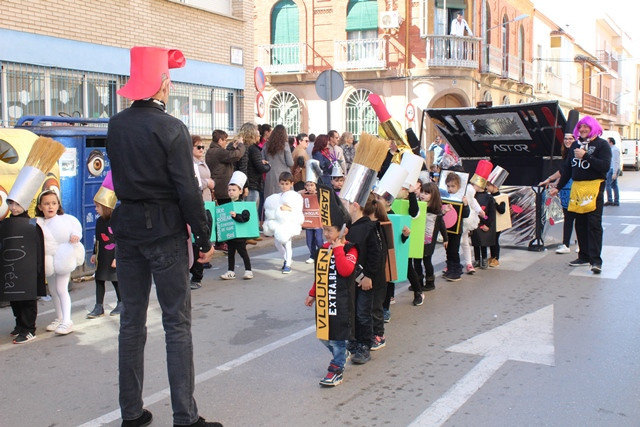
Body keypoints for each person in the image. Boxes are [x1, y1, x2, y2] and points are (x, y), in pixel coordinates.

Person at [106, 46, 219, 427]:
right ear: (164, 83)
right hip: (165, 232)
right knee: (176, 324)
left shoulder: (116, 124)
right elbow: (187, 189)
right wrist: (203, 235)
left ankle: (131, 413)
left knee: (131, 322)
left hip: (127, 229)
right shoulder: (172, 127)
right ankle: (185, 418)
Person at [304, 187, 357, 387]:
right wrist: (312, 294)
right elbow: (320, 274)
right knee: (324, 337)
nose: (326, 234)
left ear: (343, 231)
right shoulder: (323, 249)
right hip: (325, 301)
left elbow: (345, 271)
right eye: (324, 229)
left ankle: (336, 367)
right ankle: (342, 353)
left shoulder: (350, 249)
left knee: (336, 338)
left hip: (341, 302)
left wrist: (339, 250)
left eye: (330, 230)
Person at [549, 115, 611, 274]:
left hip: (594, 188)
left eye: (586, 127)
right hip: (577, 188)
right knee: (580, 224)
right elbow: (568, 169)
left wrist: (586, 156)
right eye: (581, 127)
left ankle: (596, 261)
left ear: (593, 128)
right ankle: (583, 256)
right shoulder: (576, 144)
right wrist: (558, 187)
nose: (583, 130)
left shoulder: (602, 145)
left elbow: (604, 167)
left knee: (594, 225)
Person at [36, 190, 84, 335]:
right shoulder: (38, 222)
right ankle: (60, 317)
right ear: (40, 206)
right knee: (53, 291)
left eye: (53, 203)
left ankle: (67, 320)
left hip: (64, 257)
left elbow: (76, 229)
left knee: (62, 289)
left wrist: (75, 236)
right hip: (48, 260)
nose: (50, 207)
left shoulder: (67, 219)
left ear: (58, 205)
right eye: (46, 204)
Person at [345, 193, 384, 364]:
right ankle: (353, 342)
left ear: (355, 205)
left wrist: (368, 276)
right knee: (352, 312)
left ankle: (365, 346)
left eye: (346, 202)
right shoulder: (347, 227)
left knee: (363, 313)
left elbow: (376, 255)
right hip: (350, 279)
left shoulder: (369, 227)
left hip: (365, 280)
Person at [88, 171, 122, 318]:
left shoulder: (116, 220)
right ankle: (99, 306)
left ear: (106, 207)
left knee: (115, 280)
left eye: (98, 207)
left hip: (113, 256)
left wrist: (117, 257)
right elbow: (98, 239)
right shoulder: (99, 221)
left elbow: (119, 240)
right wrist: (94, 253)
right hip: (102, 255)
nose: (96, 209)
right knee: (99, 279)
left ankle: (121, 302)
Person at [262, 171, 304, 274]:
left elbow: (297, 209)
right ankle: (286, 258)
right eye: (282, 184)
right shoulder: (277, 196)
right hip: (278, 223)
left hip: (288, 223)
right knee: (277, 242)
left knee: (287, 243)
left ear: (291, 184)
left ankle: (288, 263)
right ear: (279, 183)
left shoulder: (295, 196)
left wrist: (287, 208)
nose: (284, 186)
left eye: (287, 184)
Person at [190, 135, 215, 289]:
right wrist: (208, 182)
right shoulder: (190, 164)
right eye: (198, 147)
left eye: (202, 147)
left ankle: (198, 272)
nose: (201, 150)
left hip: (207, 202)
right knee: (196, 240)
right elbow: (194, 184)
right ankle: (196, 273)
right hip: (197, 203)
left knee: (203, 237)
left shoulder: (202, 162)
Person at [220, 171, 253, 280]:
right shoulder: (227, 205)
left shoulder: (242, 204)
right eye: (229, 190)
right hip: (230, 235)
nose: (231, 192)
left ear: (240, 191)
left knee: (243, 252)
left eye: (234, 190)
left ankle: (248, 270)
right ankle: (230, 271)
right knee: (230, 254)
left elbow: (245, 217)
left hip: (240, 236)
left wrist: (236, 216)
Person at [419, 182, 448, 291]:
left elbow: (441, 224)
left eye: (426, 193)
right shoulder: (418, 206)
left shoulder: (436, 211)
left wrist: (445, 238)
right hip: (418, 237)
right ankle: (418, 282)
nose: (423, 195)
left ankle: (430, 282)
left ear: (433, 195)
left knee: (427, 260)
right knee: (417, 261)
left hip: (428, 240)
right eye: (422, 192)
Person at [206, 129, 245, 205]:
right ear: (220, 140)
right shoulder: (218, 151)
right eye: (225, 141)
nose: (226, 143)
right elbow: (236, 155)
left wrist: (233, 148)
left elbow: (227, 156)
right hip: (222, 191)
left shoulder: (211, 151)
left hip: (217, 188)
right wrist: (241, 145)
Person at [262, 124, 294, 201]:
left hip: (270, 176)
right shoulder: (285, 145)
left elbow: (262, 160)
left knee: (271, 201)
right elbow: (290, 163)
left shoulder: (266, 145)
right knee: (285, 201)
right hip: (284, 177)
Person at [300, 179, 323, 264]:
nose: (309, 187)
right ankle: (313, 255)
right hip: (308, 221)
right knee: (309, 241)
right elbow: (294, 195)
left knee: (319, 240)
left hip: (318, 221)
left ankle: (321, 254)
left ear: (316, 186)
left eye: (312, 185)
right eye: (308, 185)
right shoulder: (302, 195)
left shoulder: (319, 195)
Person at [605, 137, 621, 206]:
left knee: (608, 185)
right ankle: (616, 201)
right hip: (612, 169)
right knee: (614, 185)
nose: (606, 143)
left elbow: (615, 161)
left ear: (611, 142)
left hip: (612, 169)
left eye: (607, 141)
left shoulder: (614, 150)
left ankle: (610, 200)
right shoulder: (611, 149)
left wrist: (614, 172)